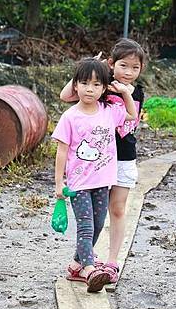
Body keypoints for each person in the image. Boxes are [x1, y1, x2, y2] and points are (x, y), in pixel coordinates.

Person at [59, 38, 148, 284]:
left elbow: (129, 121)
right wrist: (91, 67)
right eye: (123, 65)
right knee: (91, 217)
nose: (128, 72)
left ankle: (110, 262)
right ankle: (83, 264)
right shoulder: (99, 84)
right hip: (92, 163)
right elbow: (66, 95)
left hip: (123, 158)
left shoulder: (136, 93)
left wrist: (125, 94)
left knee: (116, 209)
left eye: (135, 68)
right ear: (111, 64)